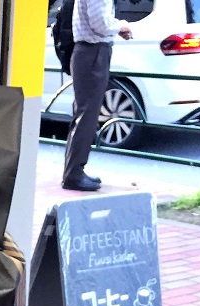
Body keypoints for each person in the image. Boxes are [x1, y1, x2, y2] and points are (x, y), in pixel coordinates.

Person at [62, 0, 132, 191]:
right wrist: (121, 26)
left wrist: (115, 26)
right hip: (93, 52)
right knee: (87, 116)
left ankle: (73, 172)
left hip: (88, 52)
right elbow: (100, 24)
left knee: (83, 115)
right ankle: (74, 174)